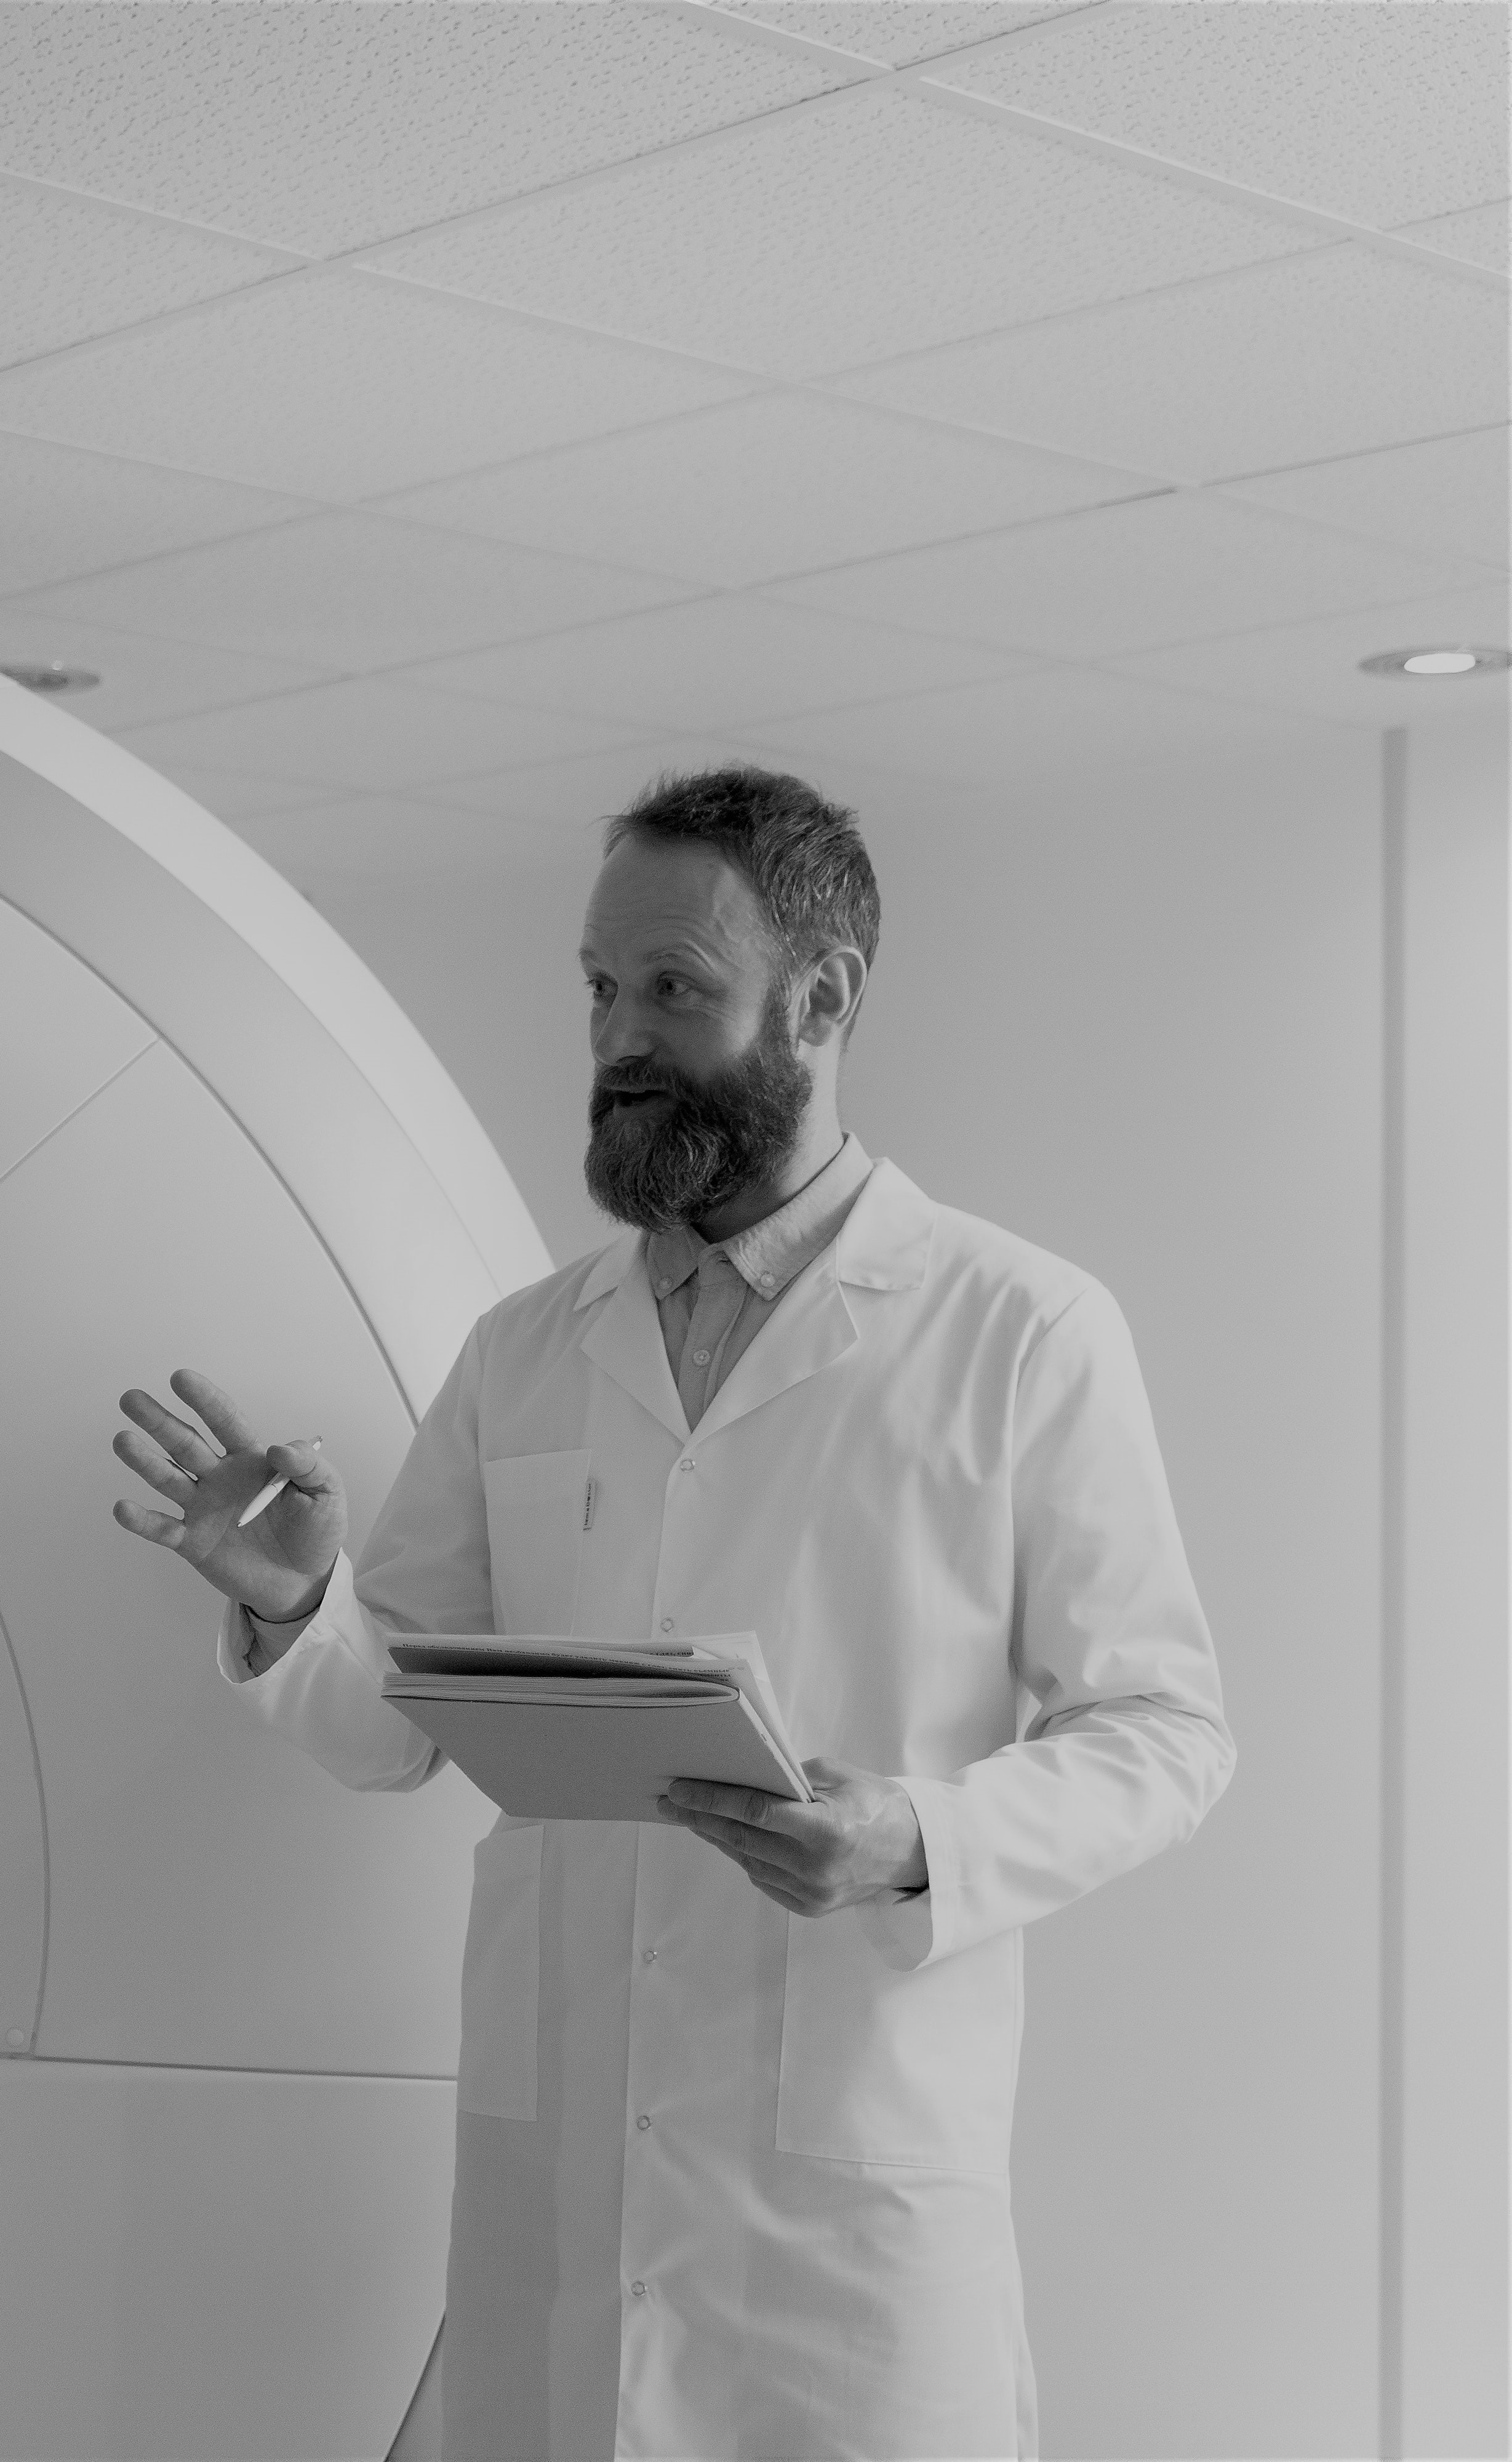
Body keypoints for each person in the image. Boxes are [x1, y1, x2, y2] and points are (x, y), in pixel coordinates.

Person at [112, 766, 1228, 2461]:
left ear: (824, 998)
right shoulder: (526, 1349)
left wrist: (913, 1836)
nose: (620, 1038)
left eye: (676, 992)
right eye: (600, 989)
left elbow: (1167, 1733)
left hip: (845, 2194)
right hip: (564, 2183)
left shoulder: (1021, 1330)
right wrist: (299, 1607)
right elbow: (394, 1724)